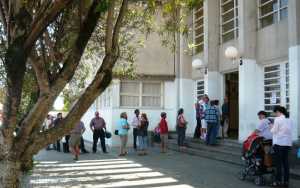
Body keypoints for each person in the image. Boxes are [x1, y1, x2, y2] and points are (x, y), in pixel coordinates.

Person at [270, 106, 293, 187]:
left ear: (279, 112)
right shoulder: (289, 119)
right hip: (287, 144)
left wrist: (271, 127)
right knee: (286, 163)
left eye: (275, 112)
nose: (275, 114)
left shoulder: (278, 119)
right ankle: (286, 182)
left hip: (279, 144)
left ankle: (278, 181)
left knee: (278, 164)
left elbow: (274, 131)